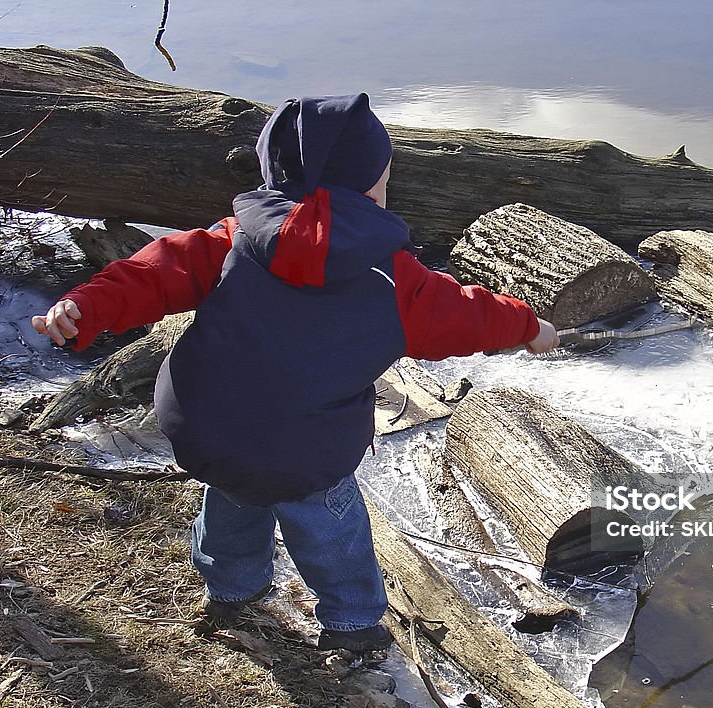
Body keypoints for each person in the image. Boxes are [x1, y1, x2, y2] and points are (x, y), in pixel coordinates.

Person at [32, 93, 559, 652]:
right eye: (383, 178)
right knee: (331, 533)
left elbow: (150, 273)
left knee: (234, 496)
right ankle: (353, 625)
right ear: (371, 187)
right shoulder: (396, 280)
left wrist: (83, 308)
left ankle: (232, 591)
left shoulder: (231, 241)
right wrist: (531, 328)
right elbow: (469, 316)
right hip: (307, 447)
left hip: (209, 427)